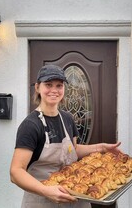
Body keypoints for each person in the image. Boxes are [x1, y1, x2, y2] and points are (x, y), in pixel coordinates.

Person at [10, 64, 123, 207]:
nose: (54, 90)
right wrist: (46, 191)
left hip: (75, 197)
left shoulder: (67, 118)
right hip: (42, 200)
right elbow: (16, 172)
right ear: (38, 87)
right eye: (48, 85)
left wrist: (101, 148)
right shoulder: (31, 125)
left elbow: (72, 151)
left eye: (59, 85)